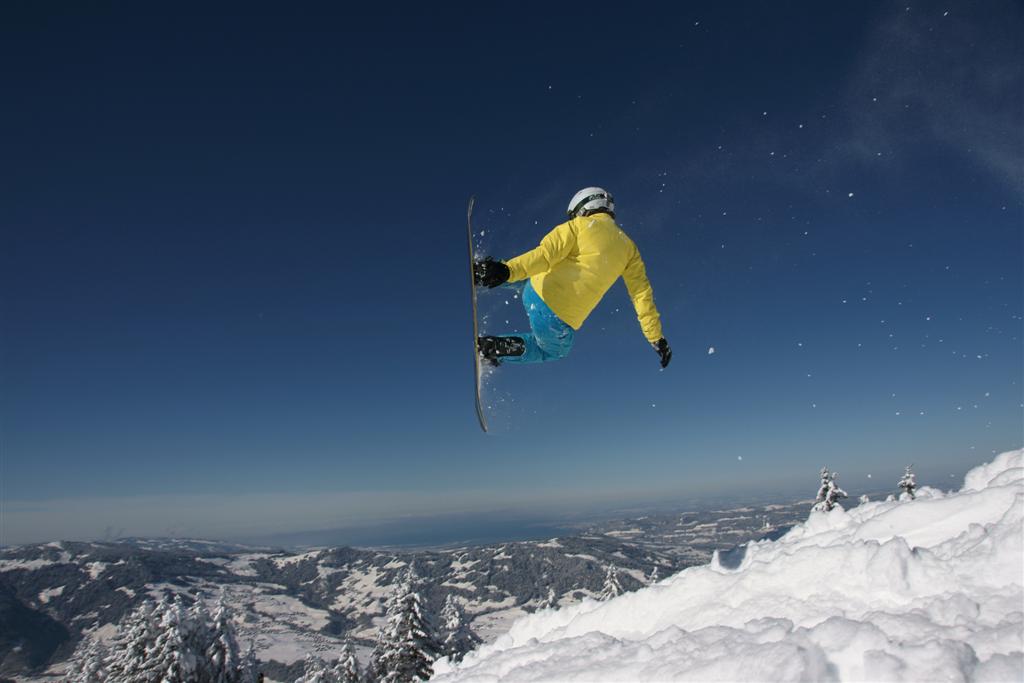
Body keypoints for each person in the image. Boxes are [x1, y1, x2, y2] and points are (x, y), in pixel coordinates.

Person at [474, 187, 671, 368]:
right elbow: (641, 295)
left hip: (537, 288)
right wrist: (656, 337)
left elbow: (544, 256)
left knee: (533, 274)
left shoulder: (578, 226)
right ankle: (492, 347)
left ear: (582, 207)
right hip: (556, 317)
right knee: (553, 351)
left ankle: (485, 273)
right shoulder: (630, 249)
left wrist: (507, 270)